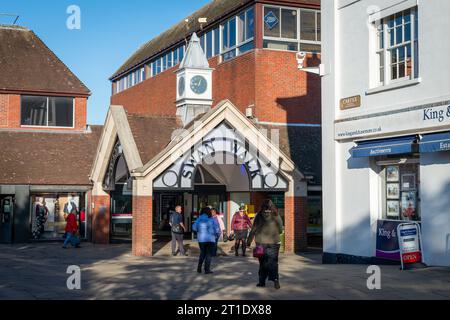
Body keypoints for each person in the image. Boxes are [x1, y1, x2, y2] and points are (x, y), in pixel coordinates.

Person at [247, 199, 283, 290]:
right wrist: (276, 232)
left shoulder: (259, 215)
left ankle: (261, 282)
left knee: (262, 262)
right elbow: (280, 228)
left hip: (260, 242)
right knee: (273, 262)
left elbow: (254, 228)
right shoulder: (276, 215)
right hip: (274, 242)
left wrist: (248, 241)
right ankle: (275, 279)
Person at [192, 207, 220, 274]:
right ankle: (207, 269)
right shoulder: (212, 219)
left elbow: (194, 228)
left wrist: (199, 231)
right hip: (210, 239)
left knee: (202, 253)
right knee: (208, 255)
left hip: (201, 239)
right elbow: (217, 229)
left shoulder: (199, 219)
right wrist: (216, 235)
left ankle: (199, 268)